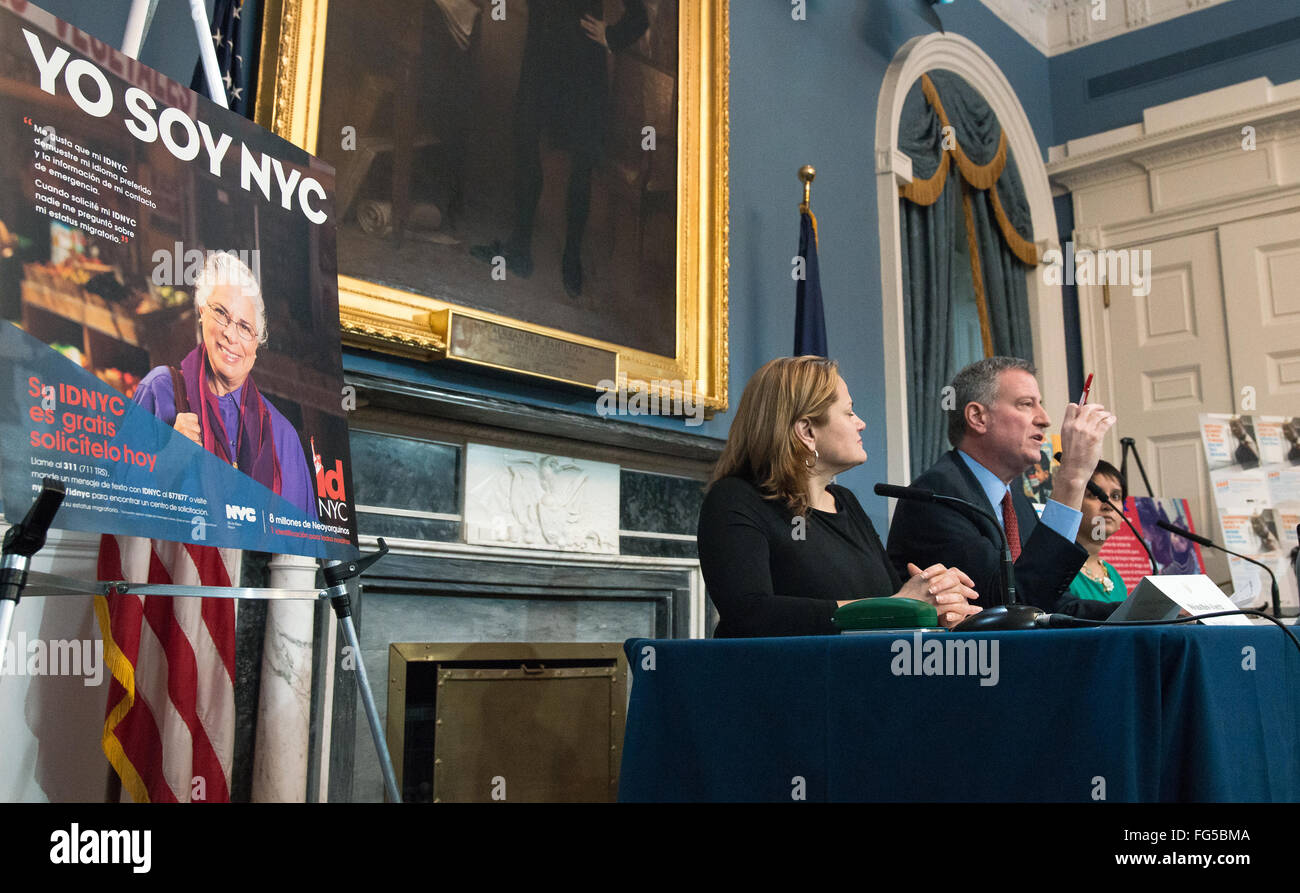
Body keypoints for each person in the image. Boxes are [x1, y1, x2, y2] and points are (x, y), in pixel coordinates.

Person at [696, 356, 980, 637]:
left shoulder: (845, 501)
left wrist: (935, 604)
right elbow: (750, 614)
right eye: (849, 413)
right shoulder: (734, 499)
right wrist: (898, 606)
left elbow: (892, 606)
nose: (862, 423)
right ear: (807, 431)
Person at [887, 357, 1116, 619]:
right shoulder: (936, 496)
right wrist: (1073, 477)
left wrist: (1141, 612)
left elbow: (1052, 603)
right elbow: (1013, 606)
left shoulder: (1016, 501)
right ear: (977, 417)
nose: (1045, 419)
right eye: (1026, 404)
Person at [470, 0, 649, 297]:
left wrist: (613, 36)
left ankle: (572, 259)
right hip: (538, 66)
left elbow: (640, 16)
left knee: (581, 165)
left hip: (582, 73)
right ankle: (519, 250)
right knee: (525, 145)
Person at [132, 251, 318, 520]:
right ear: (202, 313)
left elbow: (302, 544)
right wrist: (169, 457)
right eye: (221, 313)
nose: (231, 335)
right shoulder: (160, 390)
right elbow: (116, 514)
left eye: (245, 327)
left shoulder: (282, 436)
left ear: (257, 343)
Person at [1065, 459, 1126, 612]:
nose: (1108, 505)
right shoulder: (1060, 573)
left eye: (1116, 496)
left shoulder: (1114, 575)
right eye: (1094, 495)